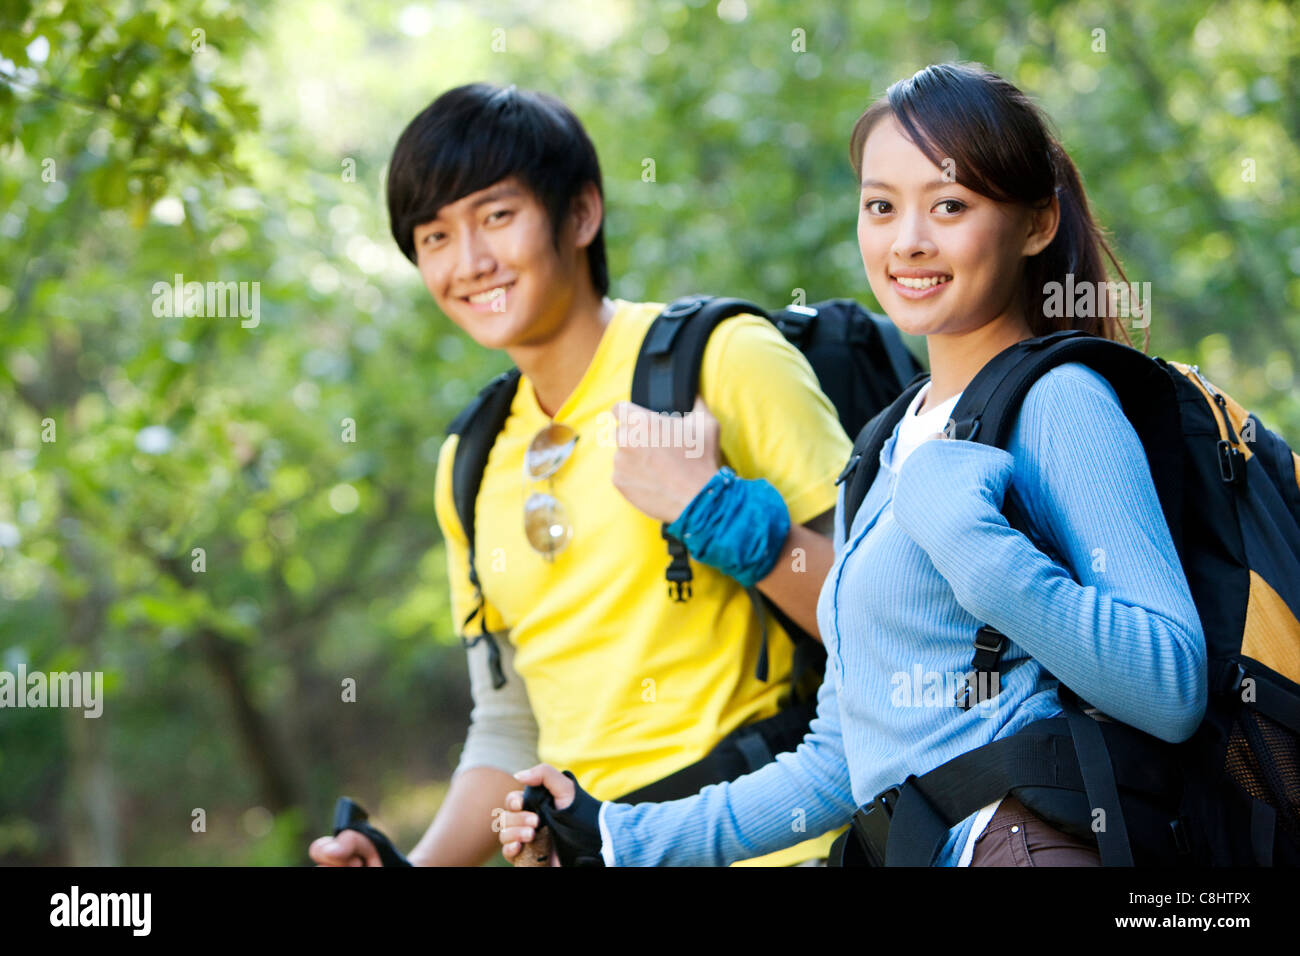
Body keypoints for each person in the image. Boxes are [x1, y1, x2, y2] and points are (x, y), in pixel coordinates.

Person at [498, 62, 1208, 867]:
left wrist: (979, 552)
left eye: (950, 205)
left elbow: (1170, 683)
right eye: (881, 206)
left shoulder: (1061, 401)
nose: (908, 240)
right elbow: (840, 762)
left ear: (1038, 223)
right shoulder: (881, 447)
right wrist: (615, 836)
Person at [307, 83, 853, 867]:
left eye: (497, 216)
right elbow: (507, 723)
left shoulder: (722, 359)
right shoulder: (470, 459)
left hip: (768, 846)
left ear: (580, 214)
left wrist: (719, 515)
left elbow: (882, 619)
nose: (470, 262)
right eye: (434, 236)